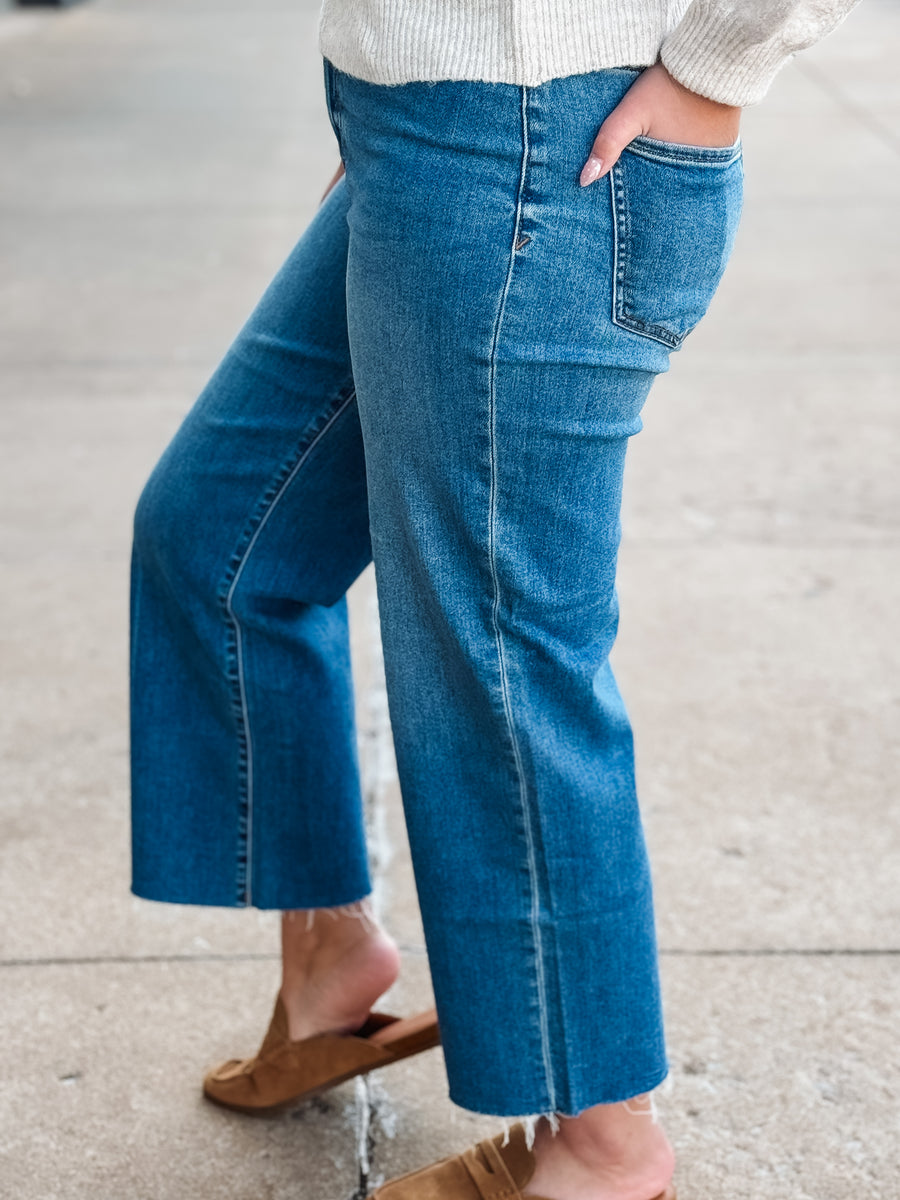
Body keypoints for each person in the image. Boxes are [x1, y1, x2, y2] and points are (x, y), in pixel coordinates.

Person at [129, 2, 859, 1197]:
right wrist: (382, 102)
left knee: (503, 653)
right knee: (219, 540)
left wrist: (724, 57)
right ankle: (328, 961)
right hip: (418, 127)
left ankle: (605, 1144)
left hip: (540, 139)